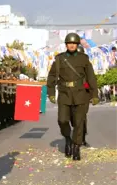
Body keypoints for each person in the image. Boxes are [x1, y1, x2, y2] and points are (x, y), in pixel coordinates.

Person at [47, 33, 99, 161]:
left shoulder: (84, 59)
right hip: (64, 94)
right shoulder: (59, 59)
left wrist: (94, 94)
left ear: (77, 45)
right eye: (69, 43)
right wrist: (51, 93)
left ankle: (76, 146)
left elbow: (91, 77)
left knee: (78, 122)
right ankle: (68, 139)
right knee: (62, 120)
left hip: (81, 94)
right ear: (66, 44)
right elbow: (52, 77)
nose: (72, 45)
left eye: (74, 43)